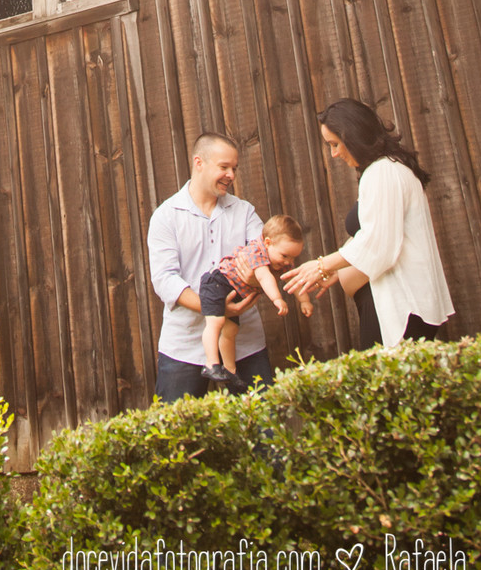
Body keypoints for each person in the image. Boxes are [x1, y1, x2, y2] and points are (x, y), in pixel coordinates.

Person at [283, 98, 453, 347]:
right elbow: (380, 234)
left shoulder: (383, 172)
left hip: (401, 304)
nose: (334, 154)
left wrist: (322, 265)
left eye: (335, 144)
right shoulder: (389, 169)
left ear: (354, 136)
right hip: (397, 302)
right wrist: (340, 270)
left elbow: (378, 243)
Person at [146, 131, 273, 398]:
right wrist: (215, 306)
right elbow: (165, 279)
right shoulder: (166, 217)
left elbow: (264, 258)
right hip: (184, 345)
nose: (231, 175)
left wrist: (248, 283)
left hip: (245, 342)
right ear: (199, 163)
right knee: (178, 436)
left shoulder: (245, 212)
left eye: (234, 168)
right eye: (224, 167)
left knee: (264, 432)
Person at [198, 214, 312, 387]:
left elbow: (293, 279)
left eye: (293, 258)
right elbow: (264, 277)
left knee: (231, 331)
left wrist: (304, 301)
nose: (288, 262)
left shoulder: (281, 259)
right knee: (216, 322)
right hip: (217, 283)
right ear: (267, 243)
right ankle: (211, 363)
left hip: (233, 290)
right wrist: (277, 299)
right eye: (285, 256)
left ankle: (230, 370)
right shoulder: (256, 252)